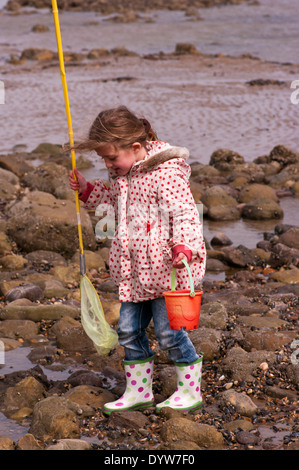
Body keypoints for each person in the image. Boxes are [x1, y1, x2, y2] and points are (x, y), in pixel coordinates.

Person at [68, 105, 206, 415]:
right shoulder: (121, 173)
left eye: (111, 158)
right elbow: (112, 203)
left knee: (171, 333)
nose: (107, 164)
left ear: (135, 147)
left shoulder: (165, 172)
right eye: (103, 159)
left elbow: (184, 213)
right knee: (129, 330)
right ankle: (138, 391)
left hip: (166, 270)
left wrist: (183, 246)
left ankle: (189, 389)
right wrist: (88, 190)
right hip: (133, 270)